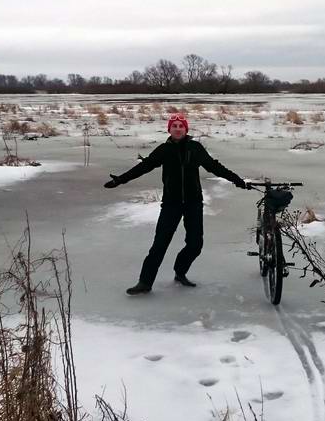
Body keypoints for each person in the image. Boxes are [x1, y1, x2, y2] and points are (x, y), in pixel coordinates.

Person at [104, 112, 248, 295]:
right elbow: (144, 166)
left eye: (181, 126)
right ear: (170, 130)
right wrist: (120, 180)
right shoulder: (164, 150)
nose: (178, 129)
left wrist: (236, 179)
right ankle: (144, 282)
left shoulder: (195, 148)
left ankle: (180, 271)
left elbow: (214, 166)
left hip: (193, 202)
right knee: (159, 244)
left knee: (195, 244)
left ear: (186, 129)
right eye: (174, 126)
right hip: (171, 203)